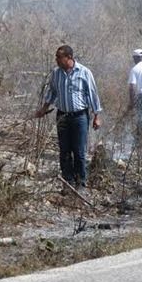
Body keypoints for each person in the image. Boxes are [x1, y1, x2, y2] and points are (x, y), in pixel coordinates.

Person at [35, 45, 102, 190]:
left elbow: (93, 94)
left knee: (79, 151)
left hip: (79, 117)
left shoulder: (84, 72)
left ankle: (80, 184)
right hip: (62, 116)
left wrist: (97, 116)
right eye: (56, 57)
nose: (56, 59)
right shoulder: (56, 73)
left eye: (59, 57)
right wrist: (43, 109)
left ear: (69, 57)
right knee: (64, 150)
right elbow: (52, 92)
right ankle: (67, 183)